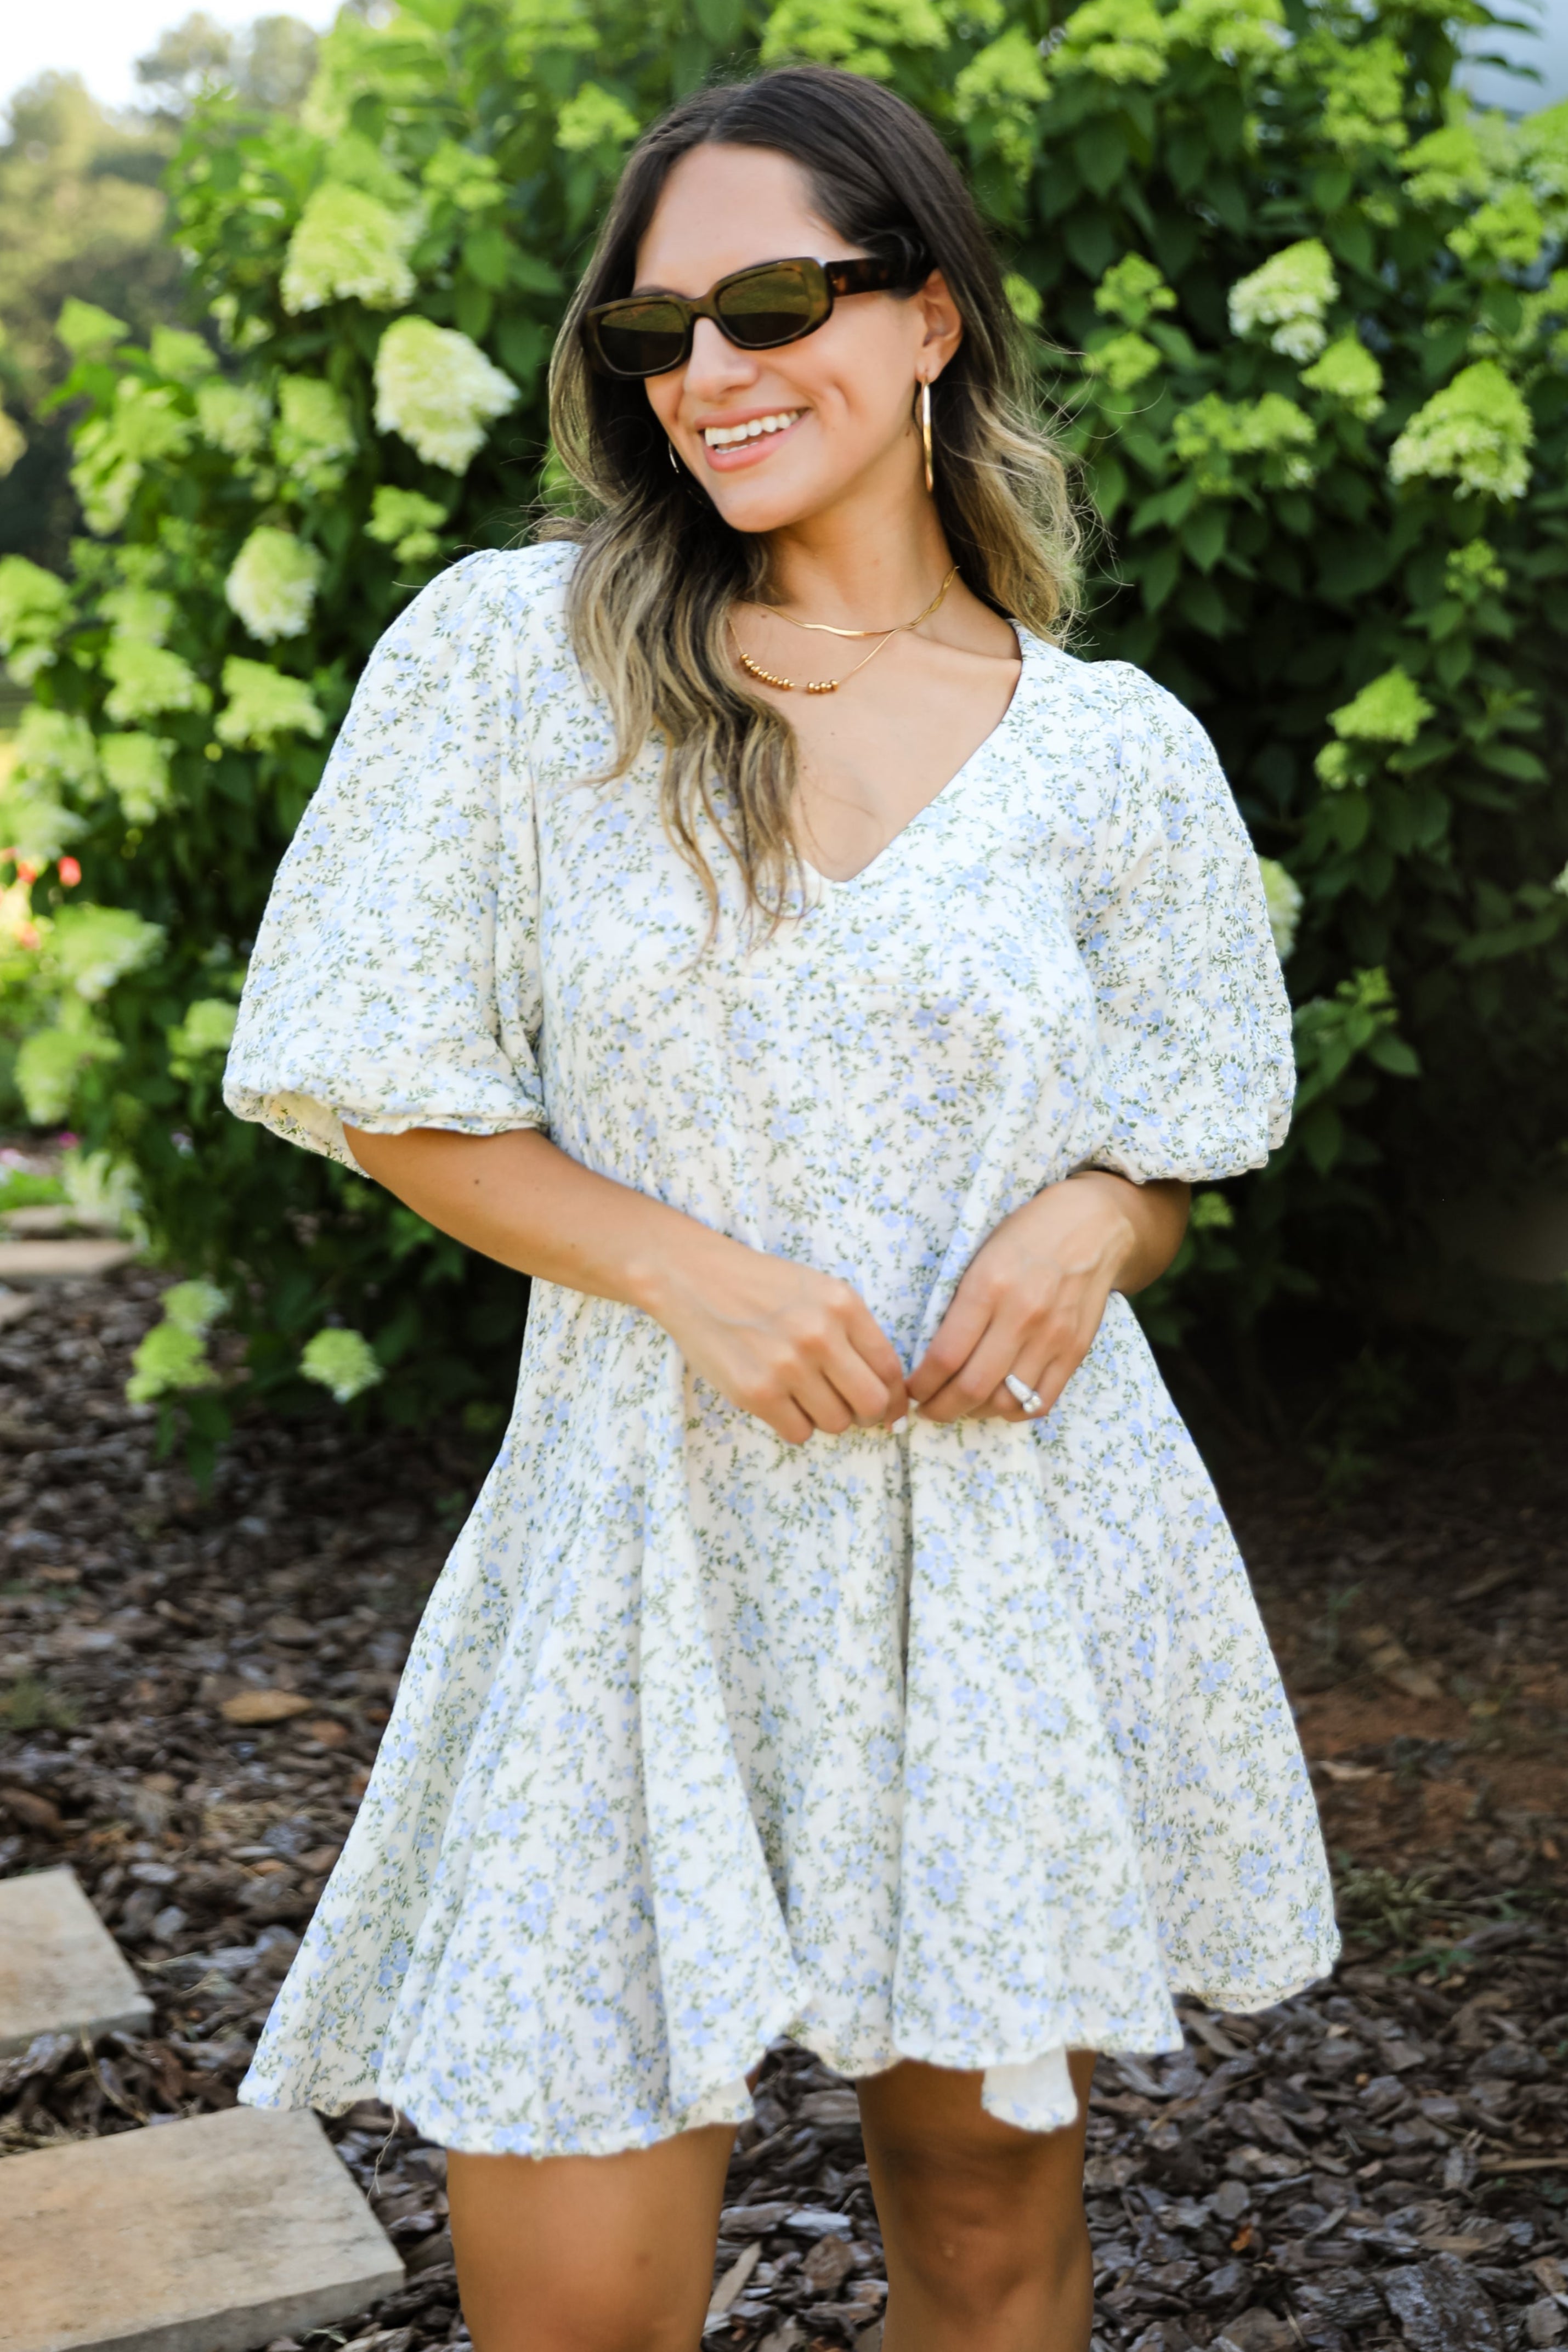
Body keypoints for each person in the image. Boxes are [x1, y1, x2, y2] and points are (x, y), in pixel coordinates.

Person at [225, 61, 1337, 2352]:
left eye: (766, 302)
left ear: (927, 317)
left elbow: (1181, 1132)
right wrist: (692, 1276)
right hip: (636, 1545)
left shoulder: (1111, 747)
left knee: (991, 2232)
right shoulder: (510, 666)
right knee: (574, 2304)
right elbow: (377, 1075)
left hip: (996, 1564)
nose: (711, 372)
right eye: (658, 336)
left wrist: (1103, 1218)